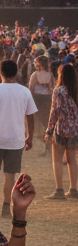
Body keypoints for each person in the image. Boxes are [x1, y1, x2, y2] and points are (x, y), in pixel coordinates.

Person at [0, 59, 37, 219]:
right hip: (16, 139)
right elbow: (30, 118)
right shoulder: (24, 92)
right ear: (16, 73)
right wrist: (29, 137)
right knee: (10, 175)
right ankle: (6, 206)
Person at [44, 63, 78, 200]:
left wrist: (49, 130)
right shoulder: (75, 90)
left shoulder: (59, 91)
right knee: (72, 159)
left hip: (61, 129)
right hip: (75, 129)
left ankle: (59, 189)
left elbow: (55, 111)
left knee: (57, 159)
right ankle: (74, 188)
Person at [28, 54, 54, 155]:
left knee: (35, 123)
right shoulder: (50, 74)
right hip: (47, 99)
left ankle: (43, 145)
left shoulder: (35, 74)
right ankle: (48, 146)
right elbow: (51, 88)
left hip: (37, 99)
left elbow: (31, 88)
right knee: (46, 122)